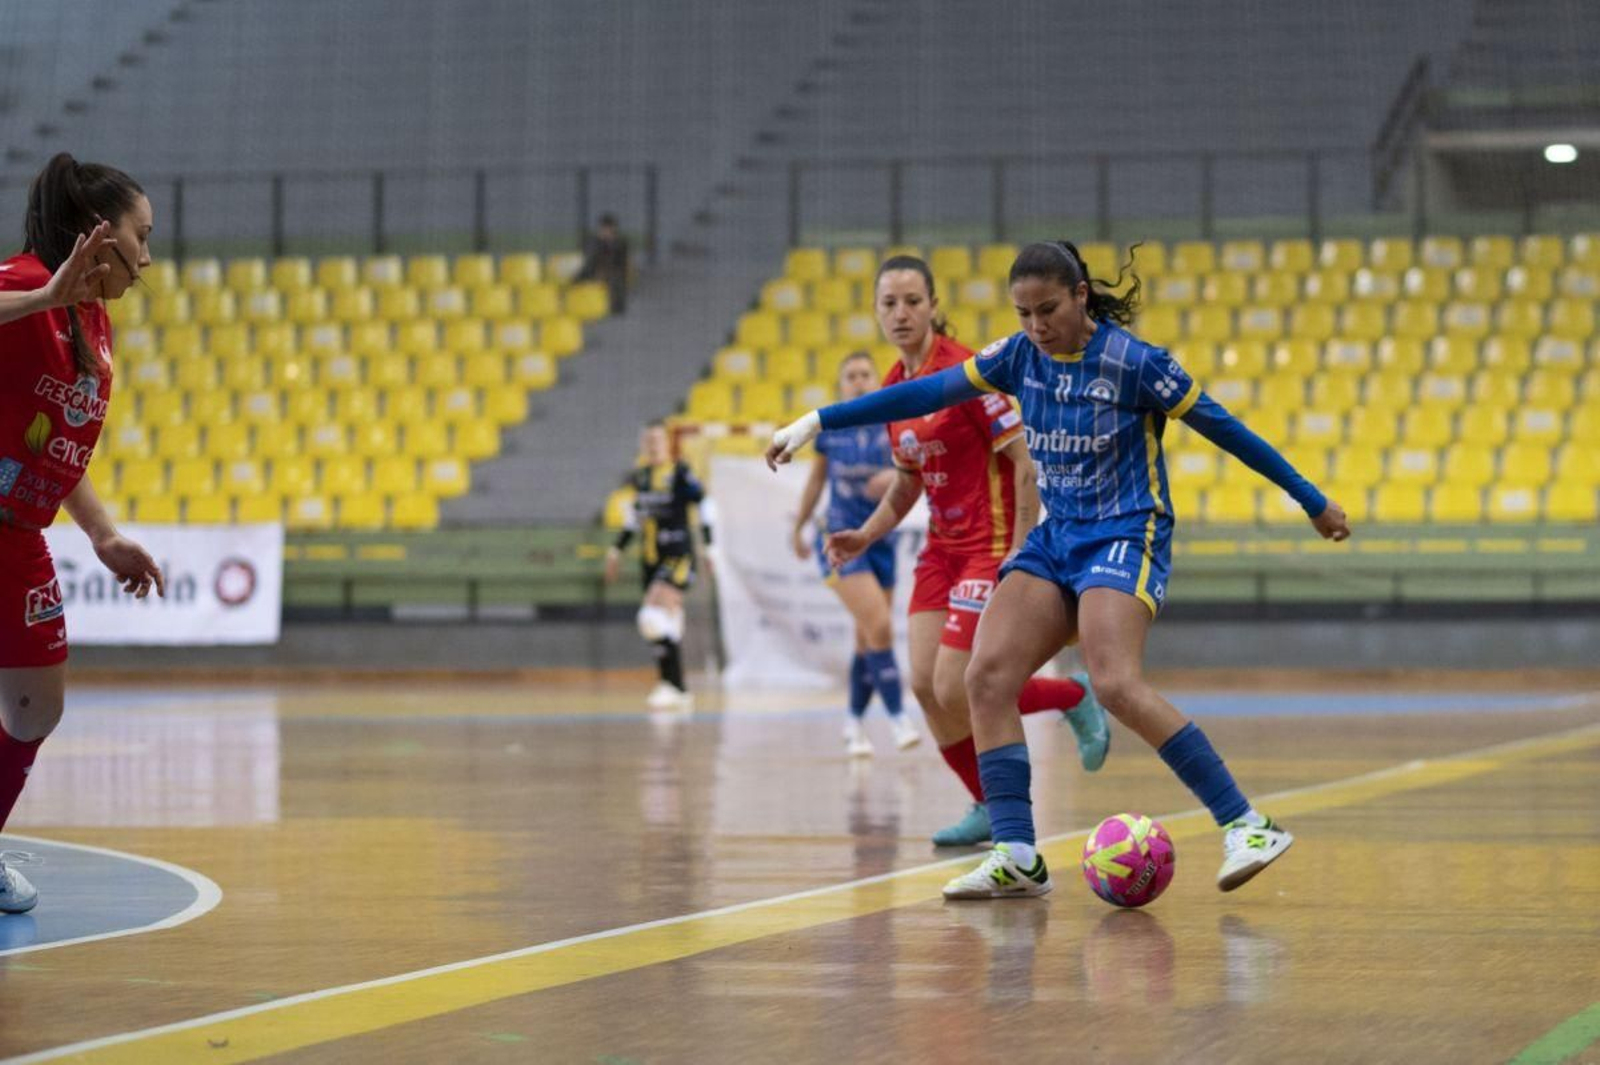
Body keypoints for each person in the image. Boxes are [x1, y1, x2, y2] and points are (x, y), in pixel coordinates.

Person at [769, 240, 1352, 898]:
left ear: (1080, 296)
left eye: (1047, 309)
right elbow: (927, 391)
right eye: (1022, 313)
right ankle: (1018, 852)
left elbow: (1228, 429)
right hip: (1057, 537)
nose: (1035, 326)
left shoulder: (1137, 364)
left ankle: (1247, 823)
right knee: (984, 677)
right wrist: (815, 421)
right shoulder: (1019, 357)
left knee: (1115, 682)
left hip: (1127, 531)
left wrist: (1312, 501)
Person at [818, 255, 1109, 848]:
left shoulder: (969, 373)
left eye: (912, 302)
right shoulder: (896, 390)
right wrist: (867, 534)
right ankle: (983, 803)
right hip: (939, 551)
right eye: (889, 303)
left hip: (989, 546)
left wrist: (1022, 550)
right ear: (876, 312)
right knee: (923, 685)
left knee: (957, 685)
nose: (900, 314)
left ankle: (1072, 696)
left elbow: (1025, 462)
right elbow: (908, 482)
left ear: (931, 306)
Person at [0, 153, 166, 913]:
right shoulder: (22, 283)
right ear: (101, 237)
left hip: (21, 533)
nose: (149, 256)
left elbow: (55, 444)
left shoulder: (94, 323)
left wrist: (102, 534)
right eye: (143, 235)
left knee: (38, 704)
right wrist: (37, 298)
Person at [790, 350, 918, 757]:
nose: (859, 381)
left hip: (882, 538)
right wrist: (798, 525)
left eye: (866, 374)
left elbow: (914, 474)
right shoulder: (832, 428)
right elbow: (815, 483)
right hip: (839, 541)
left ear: (876, 381)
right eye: (851, 376)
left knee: (866, 639)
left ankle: (852, 724)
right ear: (842, 385)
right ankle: (899, 720)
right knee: (879, 625)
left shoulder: (892, 424)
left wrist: (895, 477)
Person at [606, 422, 714, 709]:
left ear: (667, 443)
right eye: (648, 440)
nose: (653, 445)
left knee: (650, 617)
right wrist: (616, 550)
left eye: (657, 439)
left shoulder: (679, 473)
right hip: (650, 559)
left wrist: (709, 546)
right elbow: (634, 519)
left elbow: (703, 504)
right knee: (662, 624)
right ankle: (672, 686)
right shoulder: (641, 478)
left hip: (677, 555)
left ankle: (675, 685)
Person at [576, 213, 630, 315]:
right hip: (595, 270)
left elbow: (620, 262)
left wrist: (609, 243)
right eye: (603, 228)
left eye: (608, 228)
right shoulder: (595, 241)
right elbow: (591, 259)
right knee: (583, 273)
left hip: (613, 272)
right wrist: (600, 242)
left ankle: (615, 307)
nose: (605, 231)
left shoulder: (620, 242)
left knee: (615, 279)